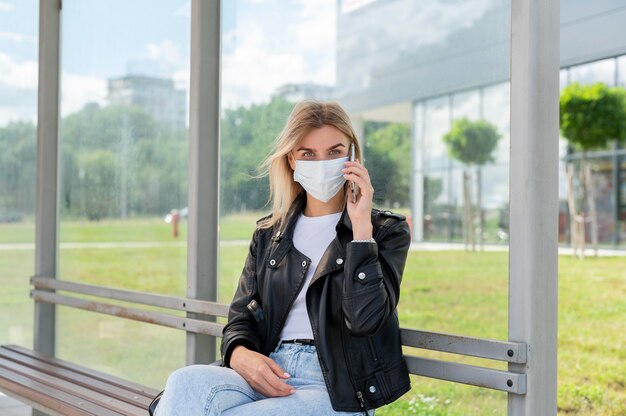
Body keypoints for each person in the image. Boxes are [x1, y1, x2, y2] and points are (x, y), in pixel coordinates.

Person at [153, 100, 412, 415]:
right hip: (269, 370)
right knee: (184, 383)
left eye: (334, 152)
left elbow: (366, 321)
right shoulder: (269, 234)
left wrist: (360, 230)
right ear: (292, 159)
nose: (322, 162)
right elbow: (241, 317)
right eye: (308, 154)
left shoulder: (384, 231)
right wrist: (239, 355)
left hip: (338, 387)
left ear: (352, 156)